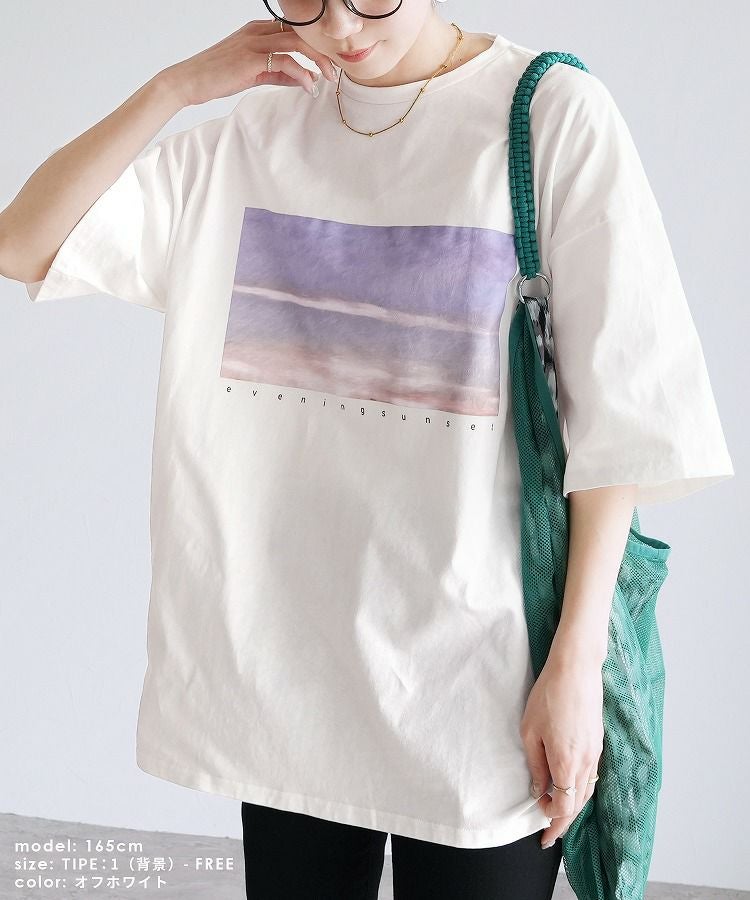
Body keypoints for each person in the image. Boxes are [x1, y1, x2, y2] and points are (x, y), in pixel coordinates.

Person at [0, 1, 734, 898]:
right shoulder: (257, 134)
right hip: (287, 683)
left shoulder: (547, 113)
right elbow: (22, 242)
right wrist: (175, 87)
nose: (341, 27)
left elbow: (620, 416)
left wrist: (575, 664)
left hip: (482, 690)